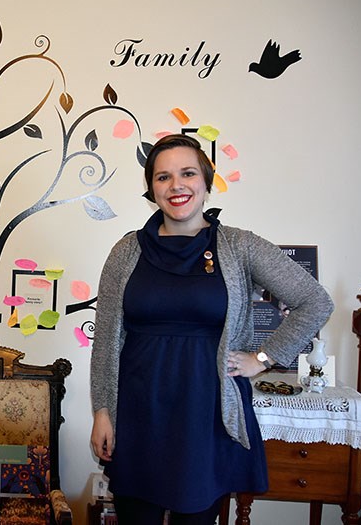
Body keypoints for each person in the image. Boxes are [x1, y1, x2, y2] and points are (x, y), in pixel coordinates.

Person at [89, 134, 333, 524]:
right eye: (163, 177)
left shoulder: (239, 246)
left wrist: (263, 359)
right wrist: (102, 411)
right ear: (152, 189)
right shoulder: (125, 252)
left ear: (206, 181)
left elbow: (315, 302)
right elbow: (105, 341)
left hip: (207, 412)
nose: (176, 185)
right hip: (138, 411)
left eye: (187, 173)